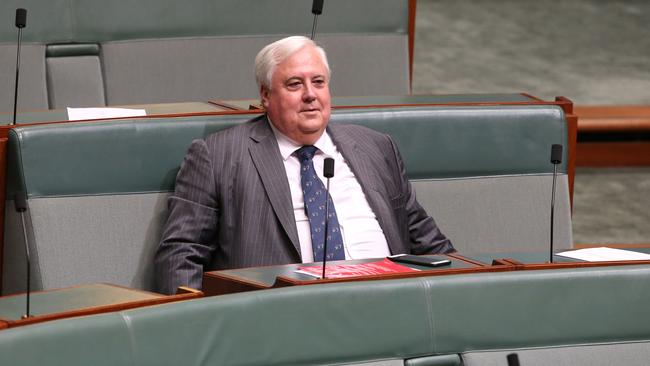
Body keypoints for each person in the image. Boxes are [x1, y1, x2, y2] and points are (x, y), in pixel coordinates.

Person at [154, 36, 453, 294]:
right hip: (282, 320)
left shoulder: (377, 148)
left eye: (318, 82)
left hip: (390, 303)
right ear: (265, 95)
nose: (310, 94)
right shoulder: (218, 155)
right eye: (295, 84)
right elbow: (181, 254)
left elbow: (430, 244)